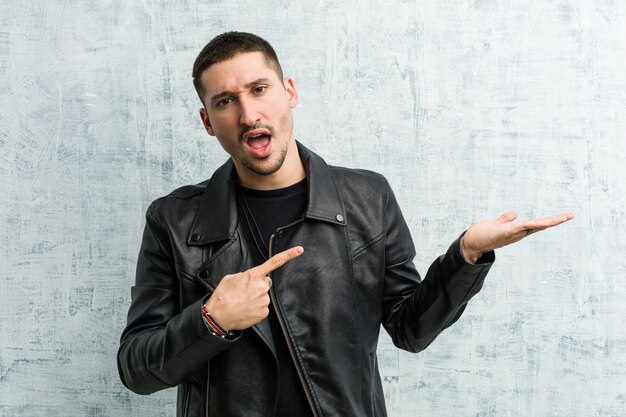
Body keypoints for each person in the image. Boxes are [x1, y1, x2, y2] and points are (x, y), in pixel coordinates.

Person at [117, 31, 573, 417]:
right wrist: (211, 320)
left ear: (289, 92)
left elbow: (410, 329)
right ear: (208, 122)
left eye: (259, 89)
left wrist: (466, 256)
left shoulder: (368, 198)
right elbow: (136, 368)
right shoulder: (173, 220)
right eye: (225, 101)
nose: (248, 113)